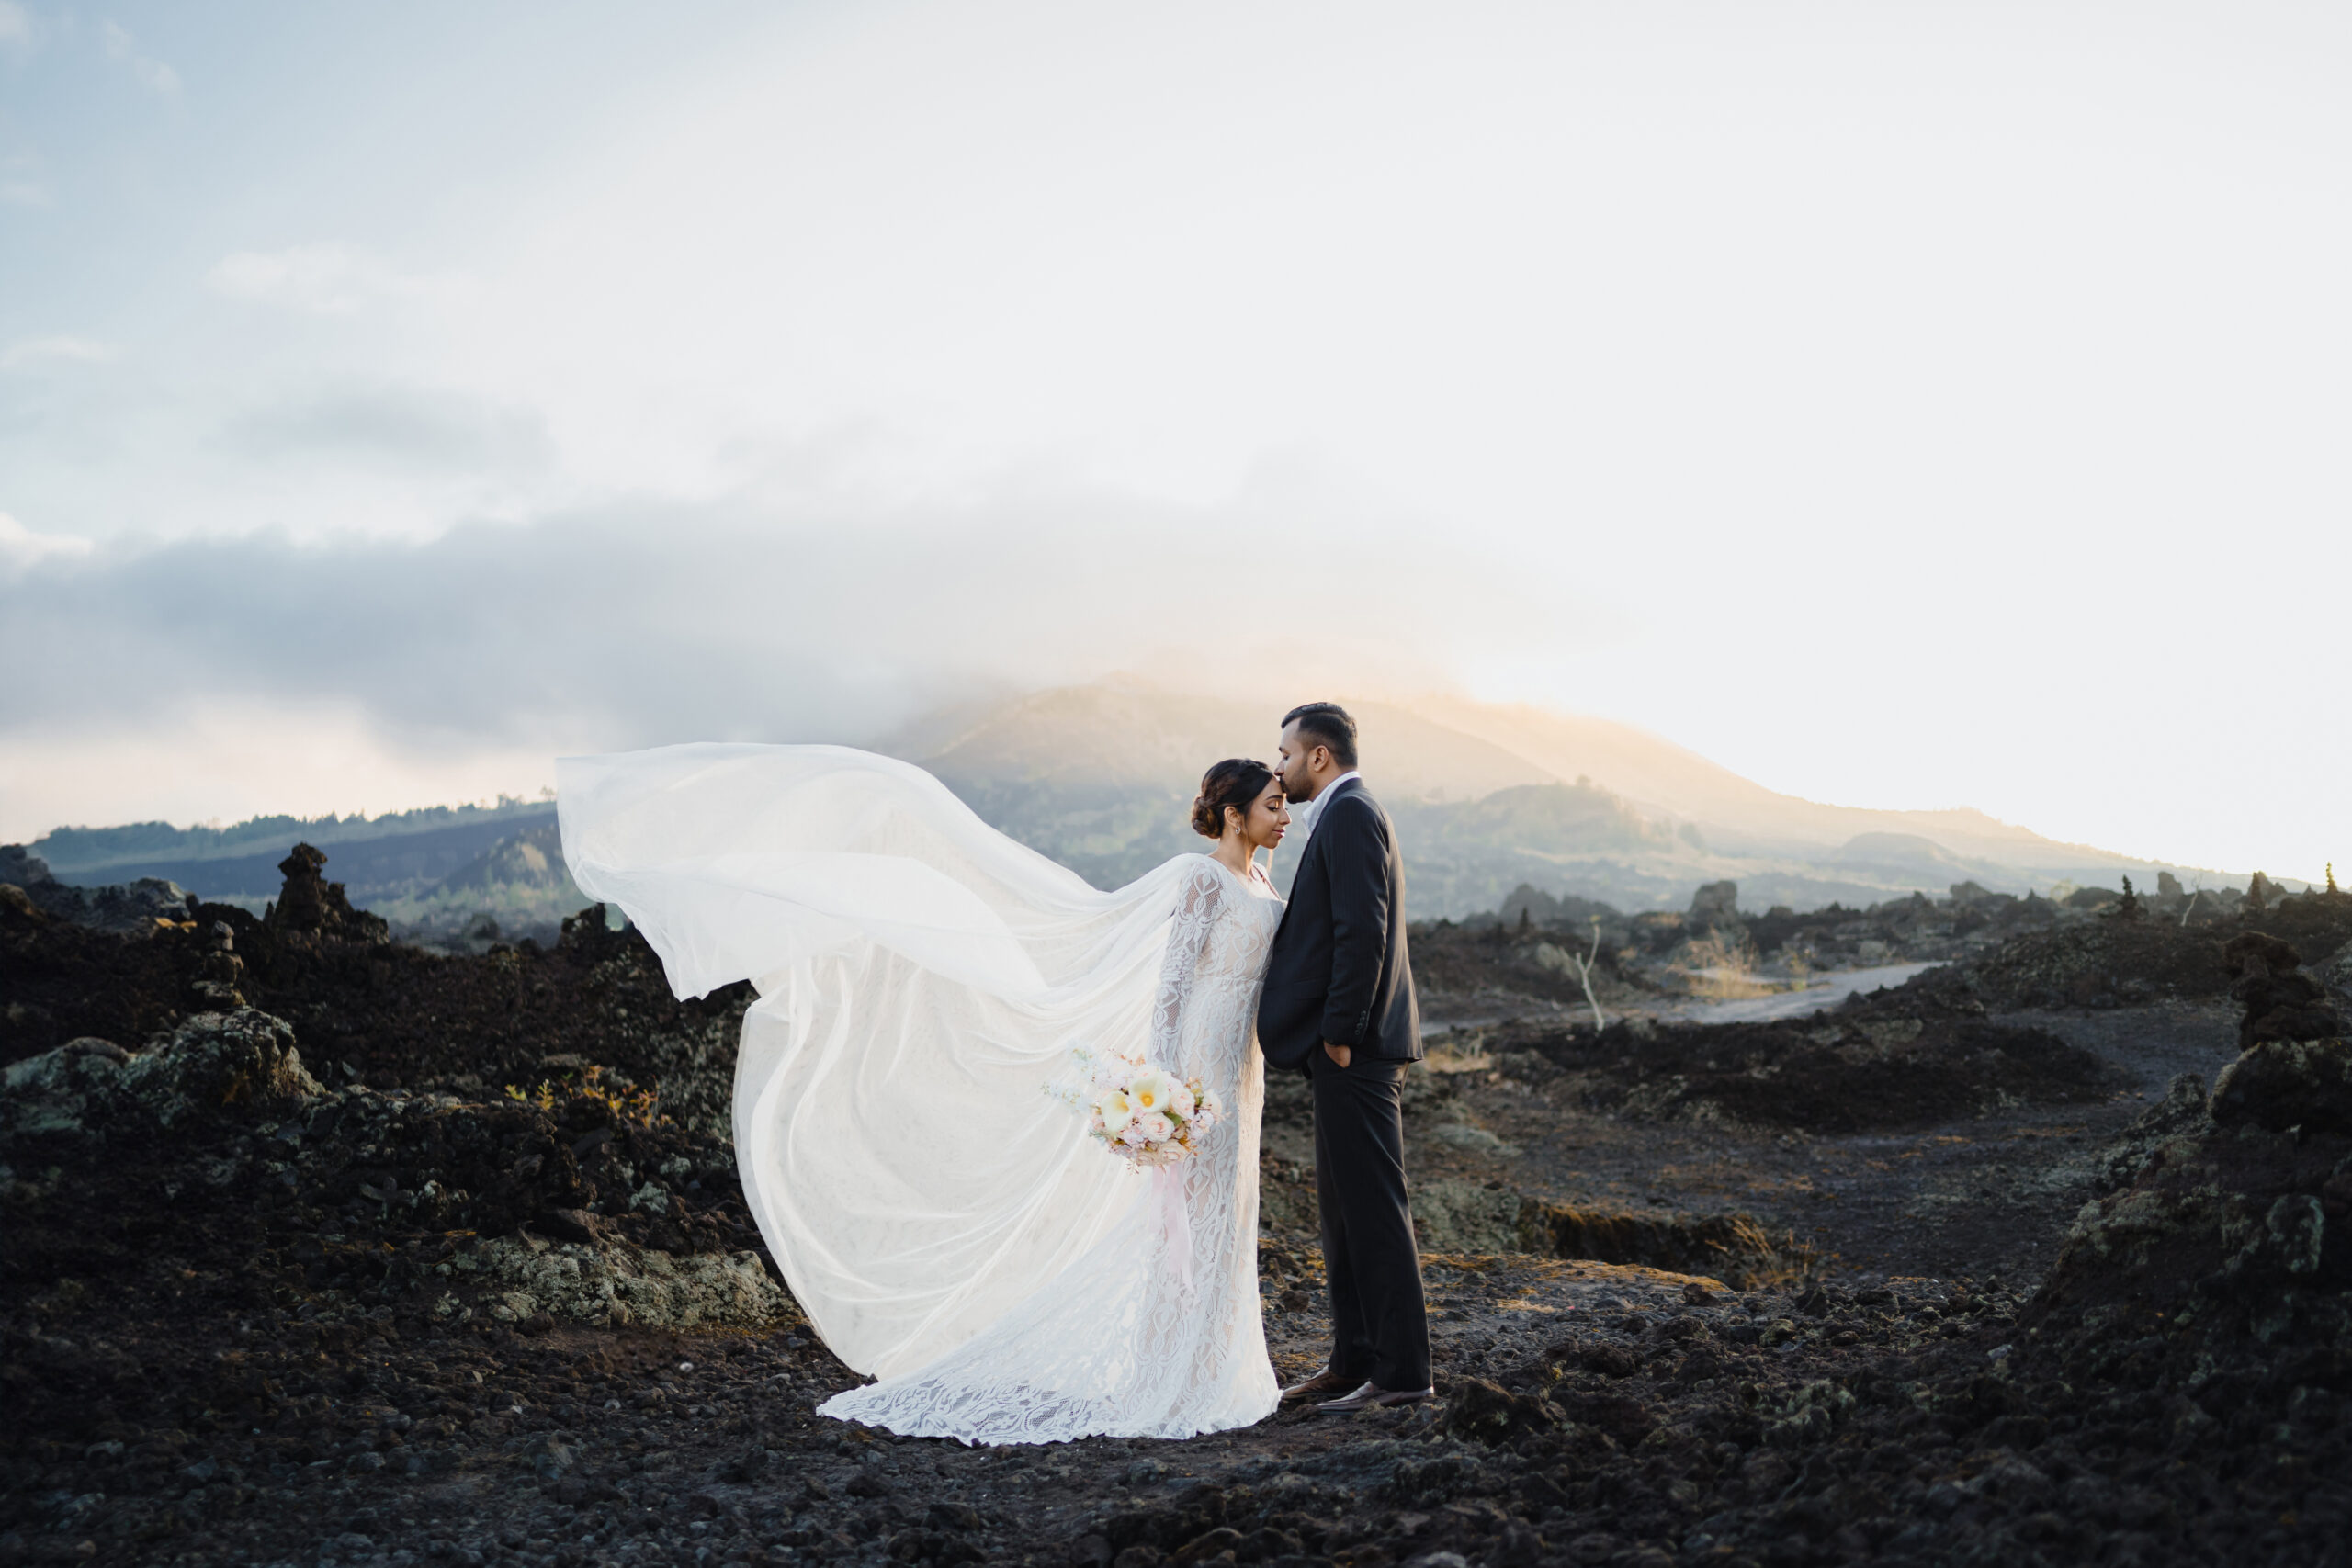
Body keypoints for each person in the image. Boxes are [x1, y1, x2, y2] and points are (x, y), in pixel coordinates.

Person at [557, 744, 1292, 1444]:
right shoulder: (1204, 880)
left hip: (1241, 1065)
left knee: (1225, 1209)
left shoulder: (1262, 883)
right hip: (1198, 1064)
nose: (1284, 814)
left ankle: (1209, 1367)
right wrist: (1164, 1087)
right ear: (1233, 815)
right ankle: (1172, 1373)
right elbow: (1171, 988)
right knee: (1187, 1213)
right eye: (1272, 802)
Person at [1256, 702, 1433, 1411]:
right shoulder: (1341, 811)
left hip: (1354, 1049)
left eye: (1285, 753)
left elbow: (1364, 927)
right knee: (1343, 1212)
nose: (1279, 766)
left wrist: (1339, 1028)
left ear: (1319, 756)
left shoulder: (1353, 812)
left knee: (1375, 1209)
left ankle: (1402, 1375)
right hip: (1344, 1050)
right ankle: (1353, 1360)